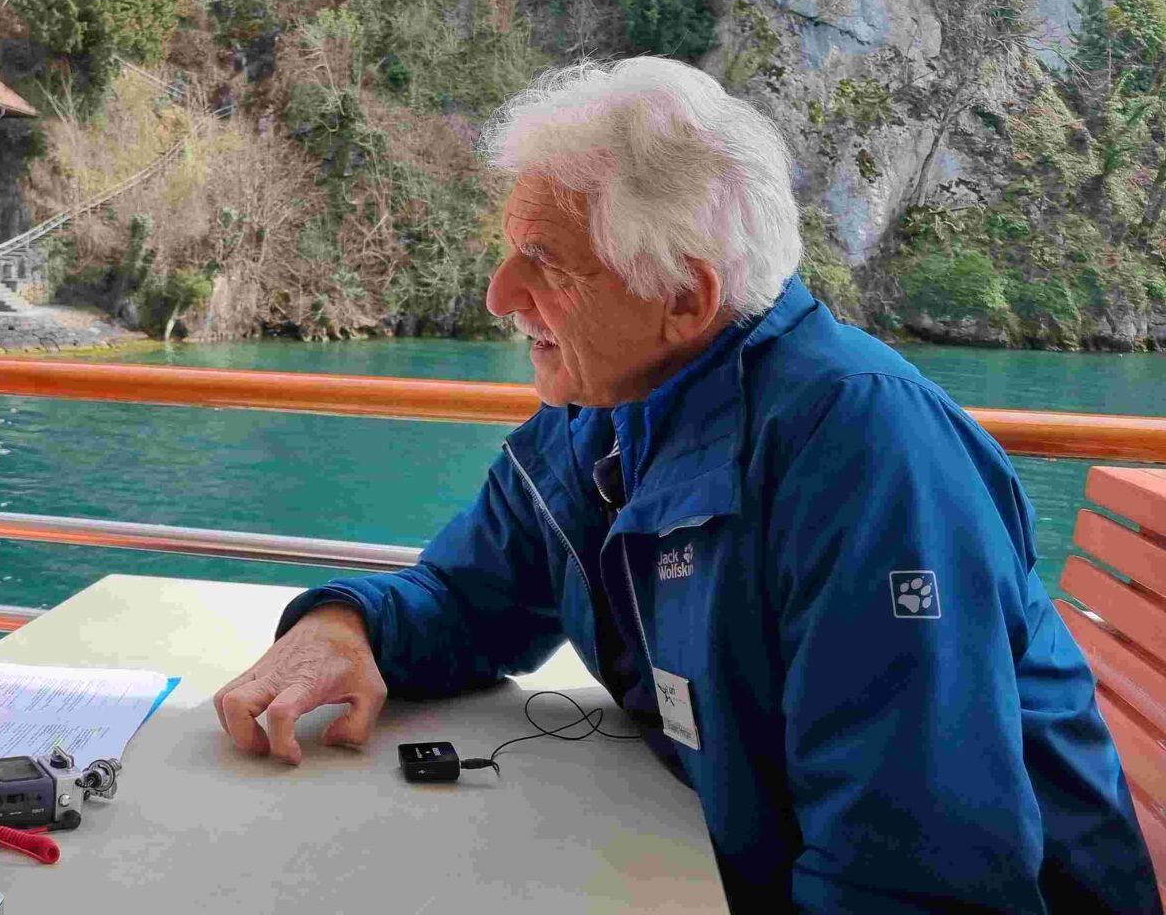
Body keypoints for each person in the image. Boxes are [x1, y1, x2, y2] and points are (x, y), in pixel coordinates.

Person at [212, 58, 1160, 913]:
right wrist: (347, 625)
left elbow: (913, 873)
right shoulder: (603, 414)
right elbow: (466, 598)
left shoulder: (864, 456)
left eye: (543, 261)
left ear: (685, 298)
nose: (500, 295)